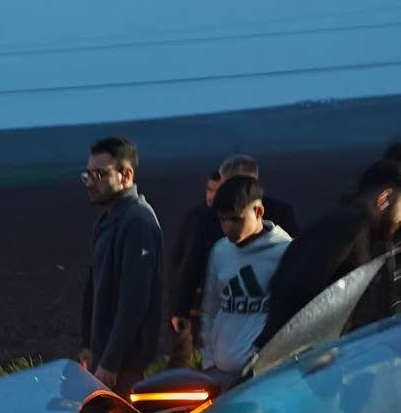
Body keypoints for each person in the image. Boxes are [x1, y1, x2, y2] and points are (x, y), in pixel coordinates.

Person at [256, 159, 401, 347]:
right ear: (384, 199)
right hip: (306, 362)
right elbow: (303, 301)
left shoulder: (337, 227)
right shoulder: (350, 232)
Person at [168, 154, 298, 360]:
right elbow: (190, 263)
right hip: (223, 319)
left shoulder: (281, 223)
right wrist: (181, 309)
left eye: (235, 219)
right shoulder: (208, 222)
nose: (228, 227)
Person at [79, 135, 163, 393]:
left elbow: (134, 301)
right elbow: (94, 287)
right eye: (88, 175)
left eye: (100, 175)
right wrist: (88, 345)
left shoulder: (137, 222)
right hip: (102, 358)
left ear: (126, 175)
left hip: (122, 366)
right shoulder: (107, 221)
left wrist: (110, 362)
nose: (91, 183)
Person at [196, 176, 292, 387]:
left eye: (236, 219)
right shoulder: (220, 251)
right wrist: (209, 361)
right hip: (219, 372)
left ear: (258, 212)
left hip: (263, 376)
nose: (227, 228)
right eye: (222, 220)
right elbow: (209, 309)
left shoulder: (285, 252)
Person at [165, 168, 221, 365]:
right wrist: (178, 303)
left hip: (217, 306)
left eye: (217, 191)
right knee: (181, 358)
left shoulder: (229, 225)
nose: (211, 196)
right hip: (190, 303)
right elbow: (179, 260)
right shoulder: (194, 217)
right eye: (209, 190)